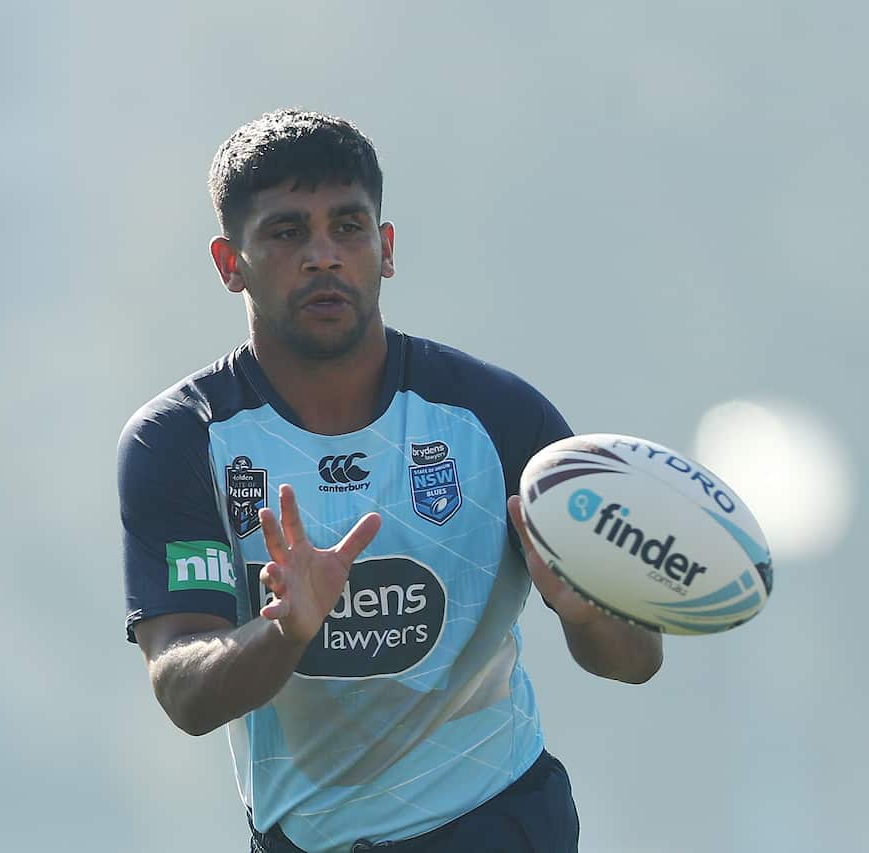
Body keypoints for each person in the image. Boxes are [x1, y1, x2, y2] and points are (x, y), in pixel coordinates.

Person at [118, 109, 663, 853]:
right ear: (228, 262)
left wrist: (587, 611)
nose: (323, 256)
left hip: (498, 821)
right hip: (305, 838)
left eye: (349, 227)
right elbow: (184, 687)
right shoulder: (181, 439)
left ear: (388, 248)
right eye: (286, 233)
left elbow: (638, 658)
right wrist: (285, 629)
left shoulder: (499, 419)